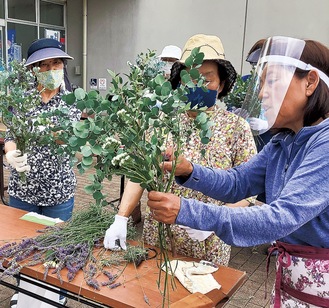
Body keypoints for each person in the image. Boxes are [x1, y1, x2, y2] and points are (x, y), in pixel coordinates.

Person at [147, 36, 329, 307]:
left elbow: (282, 216)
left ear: (310, 82)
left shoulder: (324, 144)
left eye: (272, 81)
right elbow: (237, 181)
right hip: (292, 277)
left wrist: (187, 211)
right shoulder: (283, 142)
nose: (261, 93)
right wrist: (189, 171)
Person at [104, 34, 257, 266]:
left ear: (221, 84)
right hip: (160, 236)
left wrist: (217, 221)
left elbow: (249, 190)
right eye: (191, 78)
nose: (198, 85)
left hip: (208, 241)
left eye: (207, 78)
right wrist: (121, 217)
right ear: (180, 82)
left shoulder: (236, 128)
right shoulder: (162, 122)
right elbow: (140, 174)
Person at [4, 38, 81, 307]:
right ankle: (23, 292)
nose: (50, 69)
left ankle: (55, 294)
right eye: (43, 65)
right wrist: (10, 153)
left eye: (56, 63)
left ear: (63, 66)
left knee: (55, 245)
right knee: (22, 245)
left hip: (58, 189)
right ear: (32, 70)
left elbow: (69, 138)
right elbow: (11, 134)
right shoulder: (21, 99)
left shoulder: (72, 100)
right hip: (23, 188)